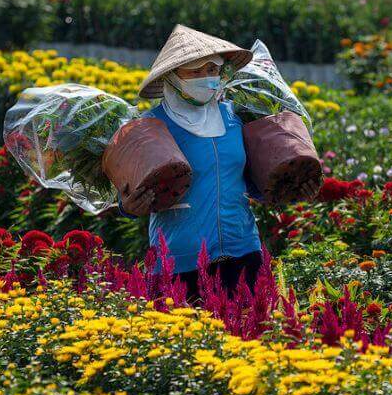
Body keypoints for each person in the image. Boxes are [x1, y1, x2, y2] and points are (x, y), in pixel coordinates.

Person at [118, 24, 316, 303]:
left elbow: (249, 181)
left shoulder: (234, 118)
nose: (206, 77)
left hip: (243, 250)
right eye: (195, 72)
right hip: (181, 259)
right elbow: (128, 190)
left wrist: (290, 187)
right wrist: (127, 206)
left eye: (212, 69)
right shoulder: (152, 126)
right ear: (172, 77)